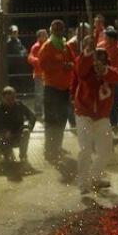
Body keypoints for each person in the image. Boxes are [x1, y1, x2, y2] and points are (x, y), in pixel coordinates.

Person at [72, 39, 118, 194]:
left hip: (102, 117)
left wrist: (104, 71)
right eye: (96, 58)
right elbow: (80, 69)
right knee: (85, 150)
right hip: (84, 114)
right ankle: (83, 183)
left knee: (106, 150)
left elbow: (116, 77)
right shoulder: (86, 70)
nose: (99, 61)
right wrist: (87, 52)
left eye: (102, 58)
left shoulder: (110, 71)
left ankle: (96, 177)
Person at [37, 19, 75, 163]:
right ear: (52, 31)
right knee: (52, 120)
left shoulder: (65, 45)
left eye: (60, 29)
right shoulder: (48, 46)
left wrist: (70, 65)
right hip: (52, 89)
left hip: (64, 89)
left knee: (62, 119)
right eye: (56, 30)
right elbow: (43, 65)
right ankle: (50, 148)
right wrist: (61, 66)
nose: (59, 32)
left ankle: (57, 146)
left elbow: (74, 60)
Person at [0, 86, 36, 164]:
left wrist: (29, 126)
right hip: (4, 137)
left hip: (18, 133)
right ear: (3, 98)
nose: (10, 102)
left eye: (12, 99)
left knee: (26, 132)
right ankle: (6, 155)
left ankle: (23, 156)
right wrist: (4, 132)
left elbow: (32, 116)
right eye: (8, 100)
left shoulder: (19, 105)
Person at [102, 27, 118, 130]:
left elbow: (108, 62)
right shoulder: (115, 45)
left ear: (111, 39)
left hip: (114, 78)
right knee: (117, 100)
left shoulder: (115, 49)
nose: (104, 39)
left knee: (114, 100)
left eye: (106, 38)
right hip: (117, 77)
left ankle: (115, 122)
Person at [27, 29, 48, 118]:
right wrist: (40, 62)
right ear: (39, 37)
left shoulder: (48, 45)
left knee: (45, 94)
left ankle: (44, 112)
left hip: (47, 74)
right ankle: (38, 112)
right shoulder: (35, 47)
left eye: (46, 35)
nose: (45, 36)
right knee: (39, 94)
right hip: (39, 74)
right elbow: (30, 58)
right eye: (43, 35)